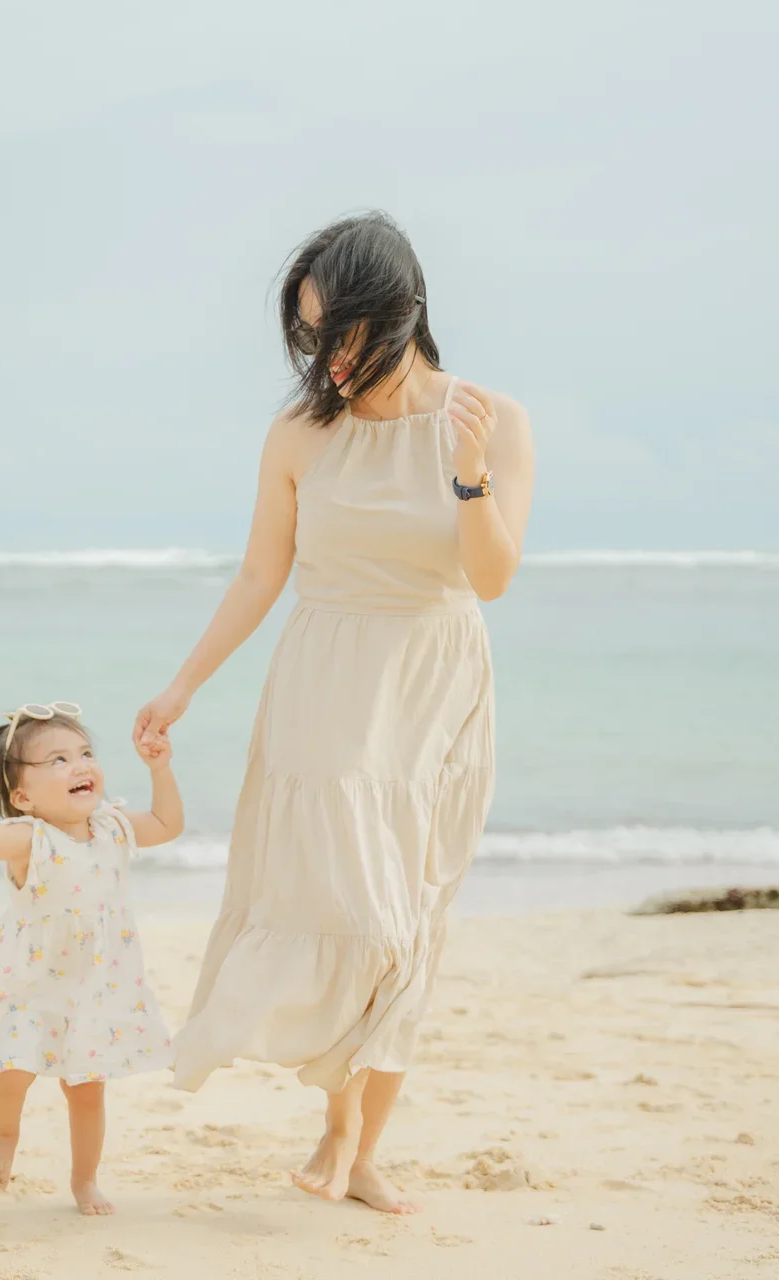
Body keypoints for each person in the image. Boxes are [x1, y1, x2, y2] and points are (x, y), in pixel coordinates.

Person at [133, 212, 534, 1214]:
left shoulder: (491, 418)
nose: (331, 357)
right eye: (313, 336)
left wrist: (472, 471)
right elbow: (263, 570)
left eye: (345, 332)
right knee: (357, 907)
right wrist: (183, 683)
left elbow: (490, 577)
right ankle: (341, 1114)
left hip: (434, 687)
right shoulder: (300, 432)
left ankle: (357, 1140)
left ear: (402, 313)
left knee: (413, 916)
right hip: (326, 682)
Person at [0, 703, 180, 1216]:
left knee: (87, 1091)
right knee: (14, 1068)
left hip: (95, 990)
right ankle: (5, 1133)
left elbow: (166, 824)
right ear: (22, 797)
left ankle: (84, 1180)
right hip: (32, 986)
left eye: (85, 753)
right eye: (59, 761)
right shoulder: (31, 838)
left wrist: (160, 767)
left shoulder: (112, 827)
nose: (80, 765)